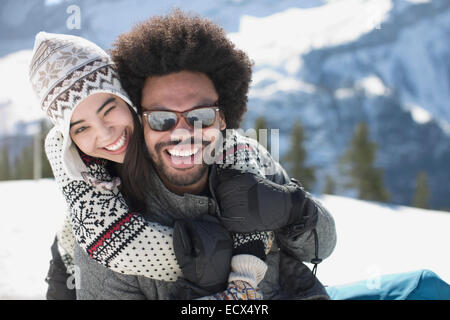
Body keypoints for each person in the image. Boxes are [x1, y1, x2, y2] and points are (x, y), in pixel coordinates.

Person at [68, 10, 336, 299]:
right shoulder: (110, 228)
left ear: (223, 119)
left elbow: (321, 248)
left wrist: (295, 209)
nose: (183, 132)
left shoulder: (251, 162)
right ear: (140, 122)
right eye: (161, 118)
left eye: (202, 116)